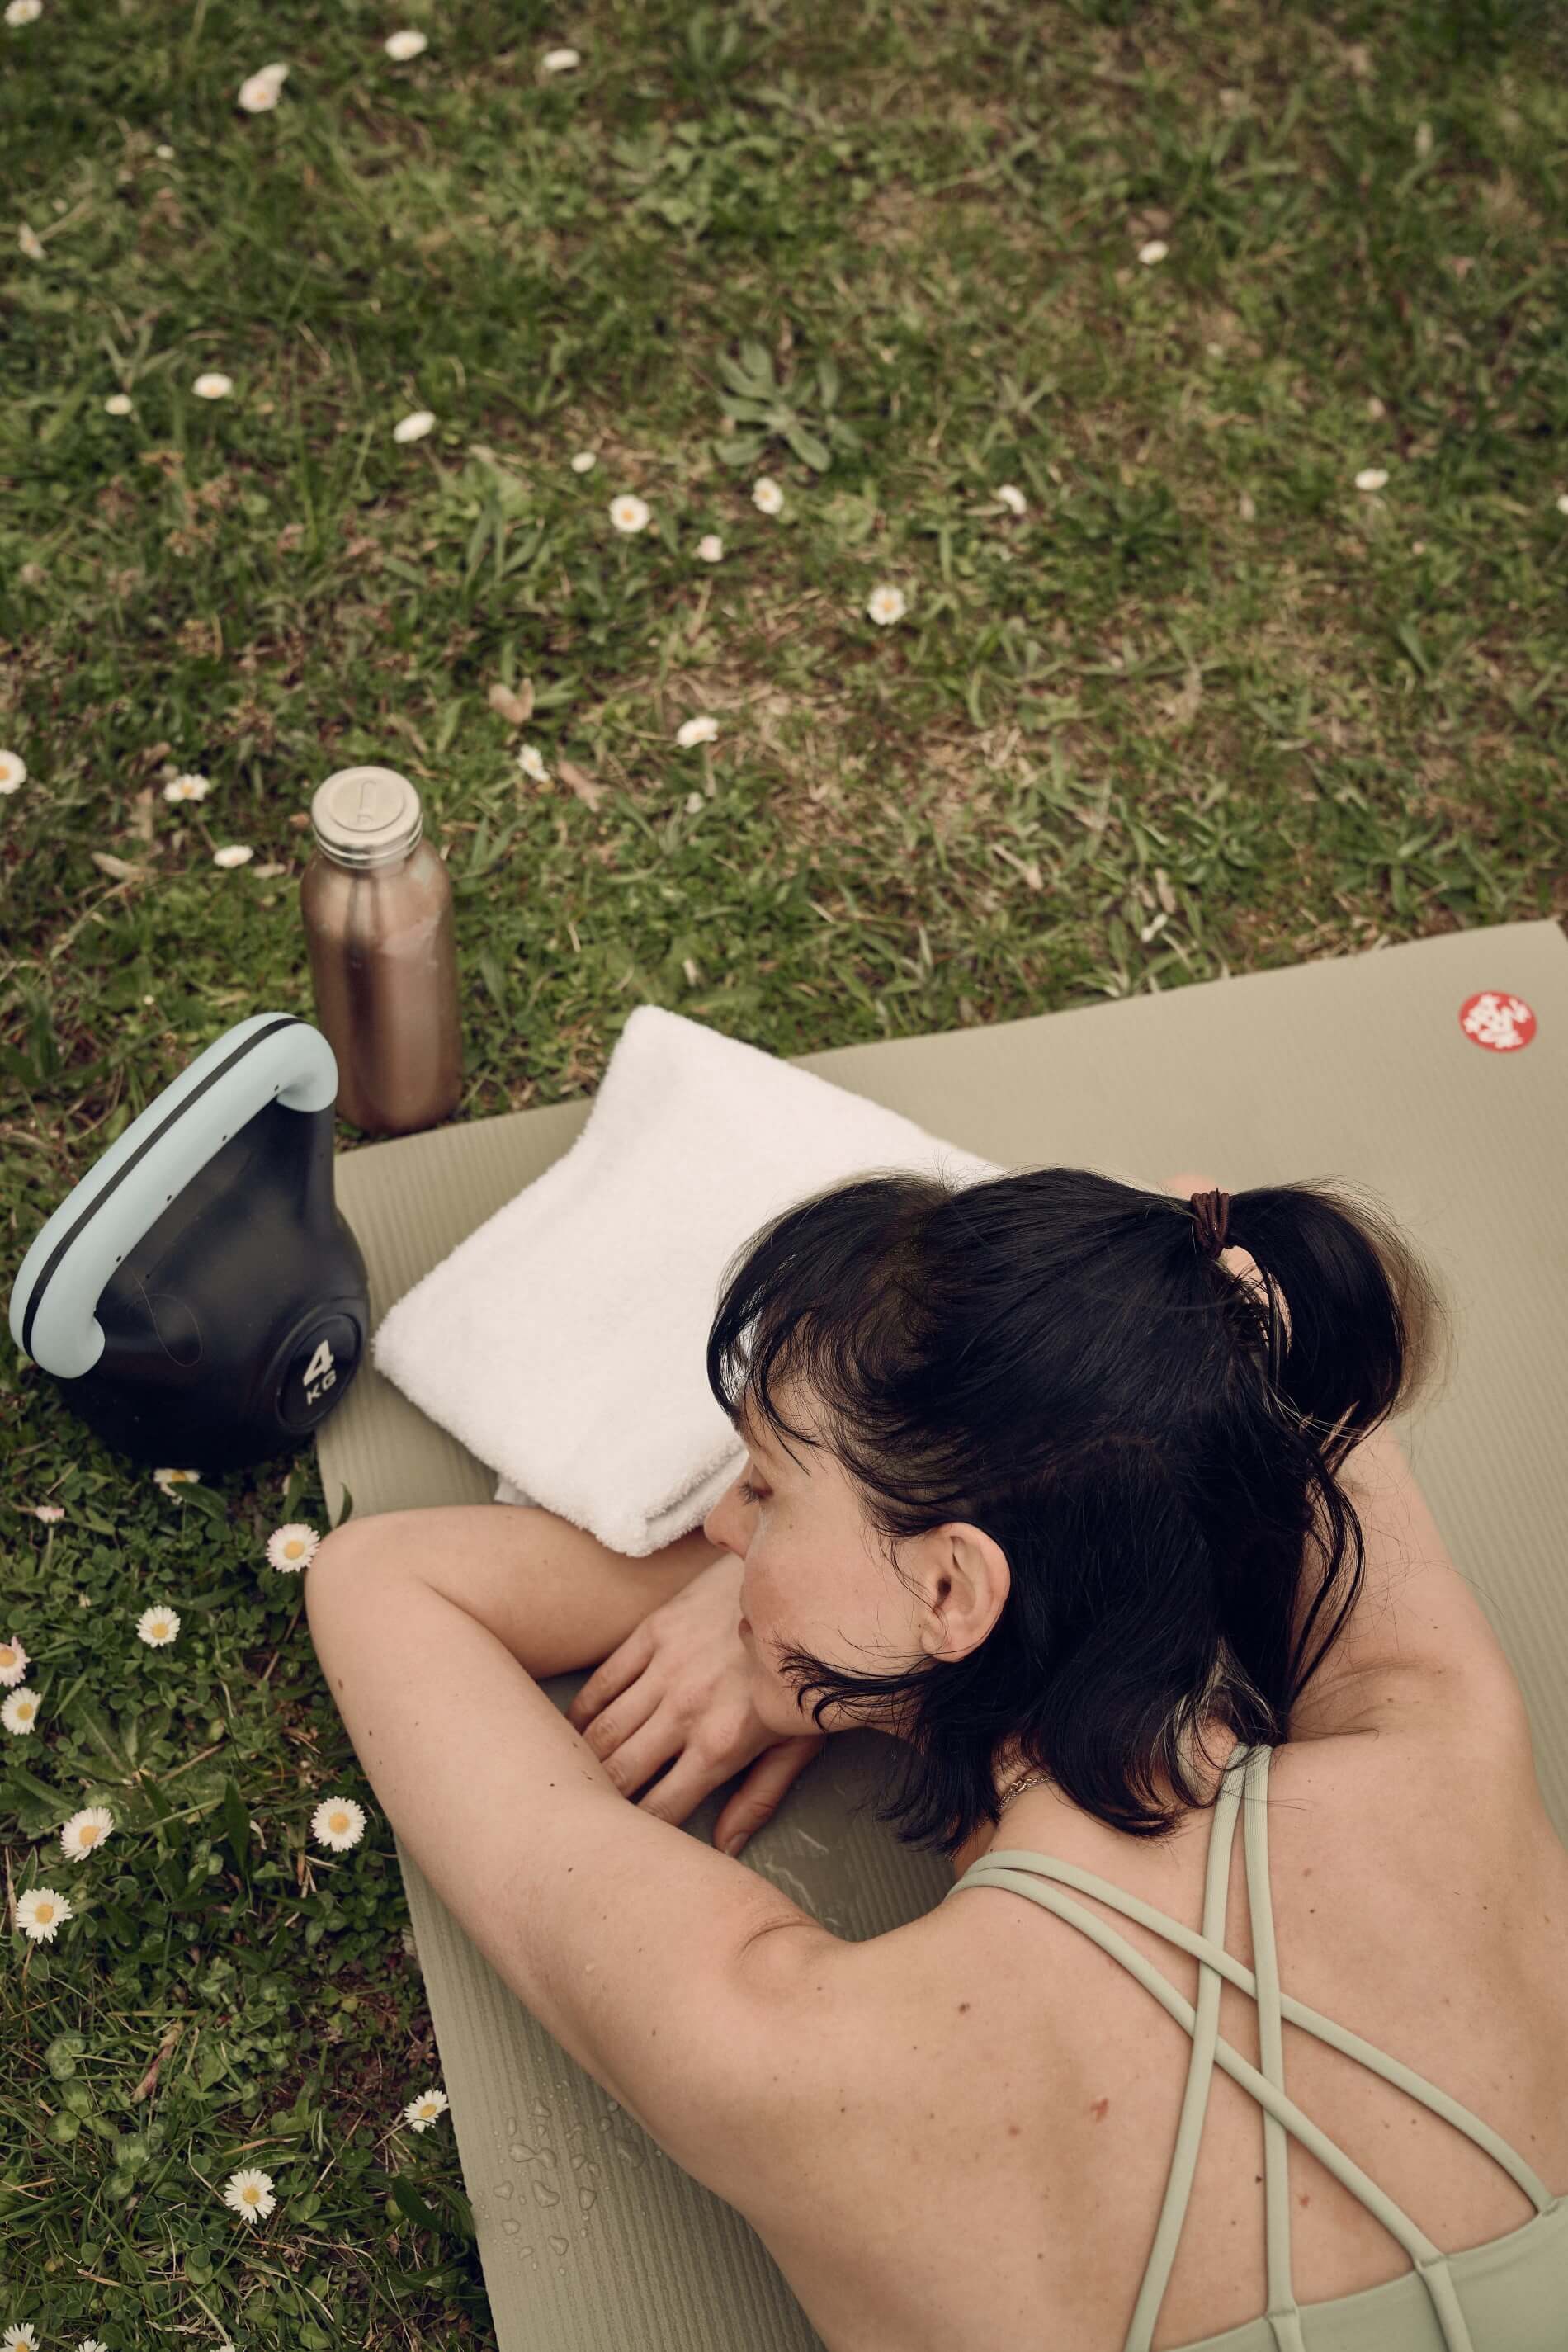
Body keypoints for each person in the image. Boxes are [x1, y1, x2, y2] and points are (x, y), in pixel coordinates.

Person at [310, 1165, 1568, 2350]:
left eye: (764, 1490)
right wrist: (842, 1597)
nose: (714, 1523)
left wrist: (792, 1626)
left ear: (956, 1585)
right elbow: (1221, 1257)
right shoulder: (1443, 1748)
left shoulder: (807, 2059)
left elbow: (378, 1581)